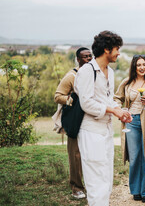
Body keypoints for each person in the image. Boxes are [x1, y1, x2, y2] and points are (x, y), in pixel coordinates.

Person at [75, 30, 132, 206]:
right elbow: (86, 103)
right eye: (117, 49)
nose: (118, 53)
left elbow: (107, 99)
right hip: (90, 131)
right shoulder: (86, 71)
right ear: (107, 49)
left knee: (106, 178)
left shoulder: (111, 73)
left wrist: (119, 110)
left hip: (106, 131)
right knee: (96, 180)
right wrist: (112, 111)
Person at [114, 54, 145, 203]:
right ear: (134, 66)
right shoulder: (127, 83)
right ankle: (135, 190)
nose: (142, 67)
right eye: (138, 65)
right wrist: (120, 111)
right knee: (134, 158)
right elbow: (116, 98)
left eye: (144, 64)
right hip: (131, 122)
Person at [53, 47, 92, 199]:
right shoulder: (71, 76)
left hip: (90, 120)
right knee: (75, 155)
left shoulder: (94, 74)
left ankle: (90, 184)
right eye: (85, 57)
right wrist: (72, 100)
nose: (88, 59)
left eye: (90, 56)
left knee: (89, 154)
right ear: (78, 59)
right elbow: (58, 96)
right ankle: (76, 187)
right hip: (75, 120)